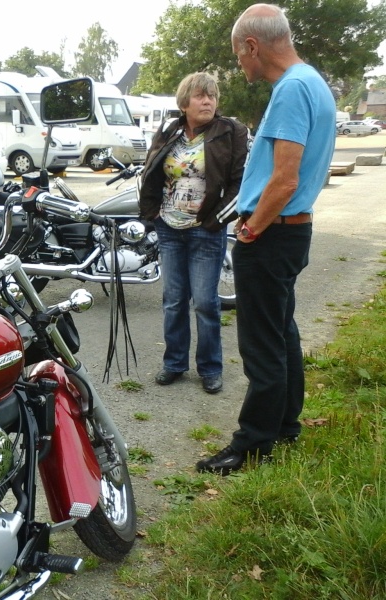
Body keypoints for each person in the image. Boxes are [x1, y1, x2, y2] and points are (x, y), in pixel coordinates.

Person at [196, 3, 336, 475]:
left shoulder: (292, 89)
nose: (240, 63)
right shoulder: (312, 81)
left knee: (260, 345)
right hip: (291, 233)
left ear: (253, 45)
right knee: (282, 334)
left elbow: (285, 179)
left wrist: (251, 228)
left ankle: (252, 443)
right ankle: (284, 427)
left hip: (272, 233)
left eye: (239, 55)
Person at [139, 72, 249, 395]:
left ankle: (210, 368)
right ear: (184, 102)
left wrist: (217, 221)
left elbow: (239, 183)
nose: (208, 101)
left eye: (212, 96)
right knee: (173, 300)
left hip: (206, 230)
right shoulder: (170, 130)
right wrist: (151, 214)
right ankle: (174, 363)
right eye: (200, 96)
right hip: (169, 228)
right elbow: (150, 171)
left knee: (205, 301)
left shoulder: (230, 131)